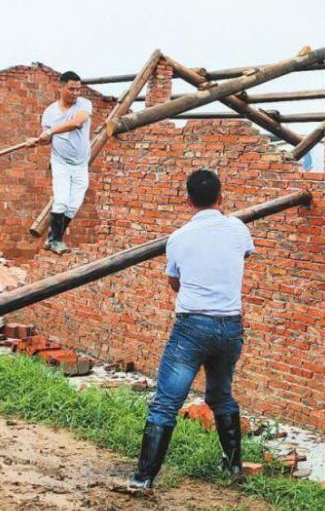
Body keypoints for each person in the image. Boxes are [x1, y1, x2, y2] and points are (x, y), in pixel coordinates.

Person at [128, 169, 255, 489]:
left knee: (166, 403)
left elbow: (174, 281)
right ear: (221, 197)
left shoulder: (178, 238)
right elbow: (242, 256)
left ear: (187, 200)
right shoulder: (238, 229)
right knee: (221, 396)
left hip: (192, 329)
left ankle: (143, 479)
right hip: (230, 328)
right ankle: (234, 467)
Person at [26, 71, 92, 255]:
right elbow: (48, 139)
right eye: (71, 89)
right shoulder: (50, 112)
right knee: (62, 200)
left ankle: (53, 238)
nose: (75, 93)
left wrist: (50, 132)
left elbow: (77, 122)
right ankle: (55, 240)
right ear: (60, 87)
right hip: (61, 162)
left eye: (78, 89)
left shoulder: (84, 104)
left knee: (74, 205)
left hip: (80, 163)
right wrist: (38, 141)